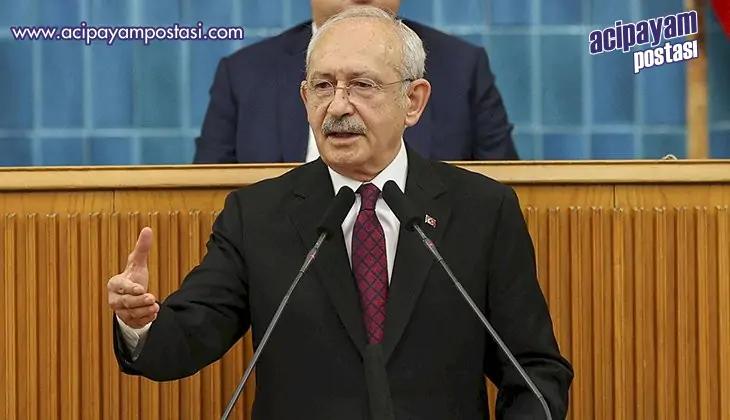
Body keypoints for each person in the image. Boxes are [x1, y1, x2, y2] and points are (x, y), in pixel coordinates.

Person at [109, 6, 572, 419]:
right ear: (304, 98)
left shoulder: (483, 210)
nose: (338, 106)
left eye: (362, 86)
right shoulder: (257, 215)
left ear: (413, 101)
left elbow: (533, 371)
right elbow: (187, 340)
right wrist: (139, 323)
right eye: (323, 86)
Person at [192, 0, 520, 164]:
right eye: (323, 85)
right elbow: (206, 195)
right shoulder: (244, 73)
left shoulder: (461, 67)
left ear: (416, 97)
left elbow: (506, 189)